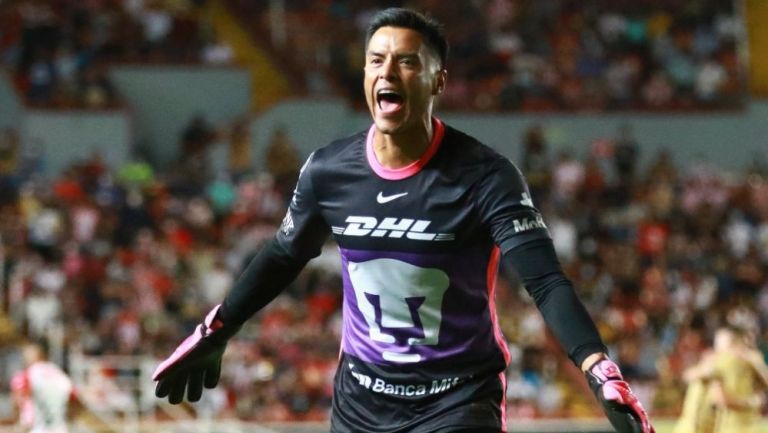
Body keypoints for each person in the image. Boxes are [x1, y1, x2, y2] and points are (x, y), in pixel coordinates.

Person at [153, 8, 655, 433]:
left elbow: (544, 281)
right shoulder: (328, 170)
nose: (387, 72)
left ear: (438, 80)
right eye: (376, 60)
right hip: (360, 403)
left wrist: (597, 367)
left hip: (458, 399)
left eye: (407, 61)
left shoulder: (486, 175)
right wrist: (218, 328)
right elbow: (284, 254)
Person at [675, 325, 768, 433]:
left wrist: (756, 364)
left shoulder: (745, 362)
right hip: (701, 427)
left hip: (720, 426)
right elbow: (720, 398)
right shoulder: (717, 362)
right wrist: (752, 402)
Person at [10, 341, 74, 433]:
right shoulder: (59, 374)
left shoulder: (27, 375)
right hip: (59, 428)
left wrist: (19, 423)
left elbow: (18, 398)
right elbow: (74, 398)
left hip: (37, 428)